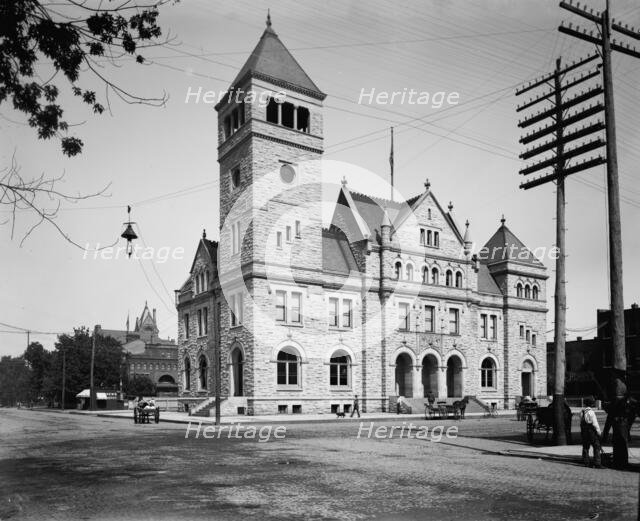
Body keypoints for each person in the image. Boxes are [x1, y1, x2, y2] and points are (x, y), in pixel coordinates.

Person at [580, 396, 602, 468]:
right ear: (591, 404)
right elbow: (595, 424)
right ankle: (597, 463)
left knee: (586, 447)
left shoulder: (582, 412)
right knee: (596, 446)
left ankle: (586, 462)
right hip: (591, 431)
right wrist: (599, 432)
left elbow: (581, 422)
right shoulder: (591, 412)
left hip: (584, 431)